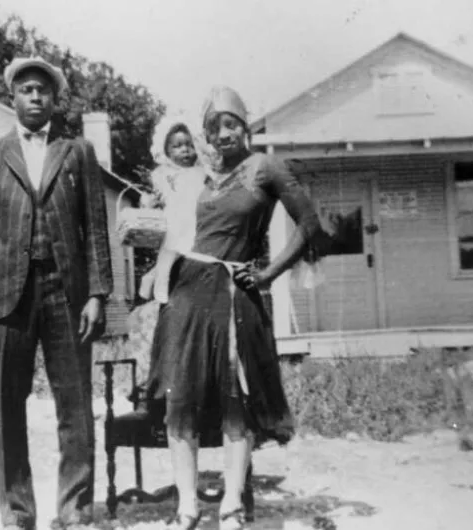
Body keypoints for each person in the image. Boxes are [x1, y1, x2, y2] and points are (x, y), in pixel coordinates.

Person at [145, 86, 322, 530]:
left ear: (245, 125)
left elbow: (309, 225)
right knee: (179, 401)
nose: (222, 134)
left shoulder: (265, 168)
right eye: (213, 127)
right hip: (186, 296)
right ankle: (186, 506)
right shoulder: (200, 175)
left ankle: (231, 505)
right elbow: (176, 227)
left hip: (234, 297)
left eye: (230, 124)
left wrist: (266, 274)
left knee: (235, 402)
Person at [0, 56, 114, 530]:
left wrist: (96, 294)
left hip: (66, 294)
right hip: (8, 297)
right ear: (13, 96)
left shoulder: (77, 152)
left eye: (42, 91)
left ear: (54, 99)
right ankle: (17, 514)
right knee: (7, 409)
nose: (34, 97)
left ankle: (75, 512)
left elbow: (95, 228)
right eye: (26, 89)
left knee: (75, 408)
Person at [138, 113, 209, 304]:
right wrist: (151, 202)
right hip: (174, 222)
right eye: (177, 147)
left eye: (189, 145)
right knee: (167, 255)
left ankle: (153, 278)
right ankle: (158, 285)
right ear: (167, 152)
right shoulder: (163, 174)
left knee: (192, 254)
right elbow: (155, 198)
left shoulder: (201, 172)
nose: (185, 150)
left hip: (195, 222)